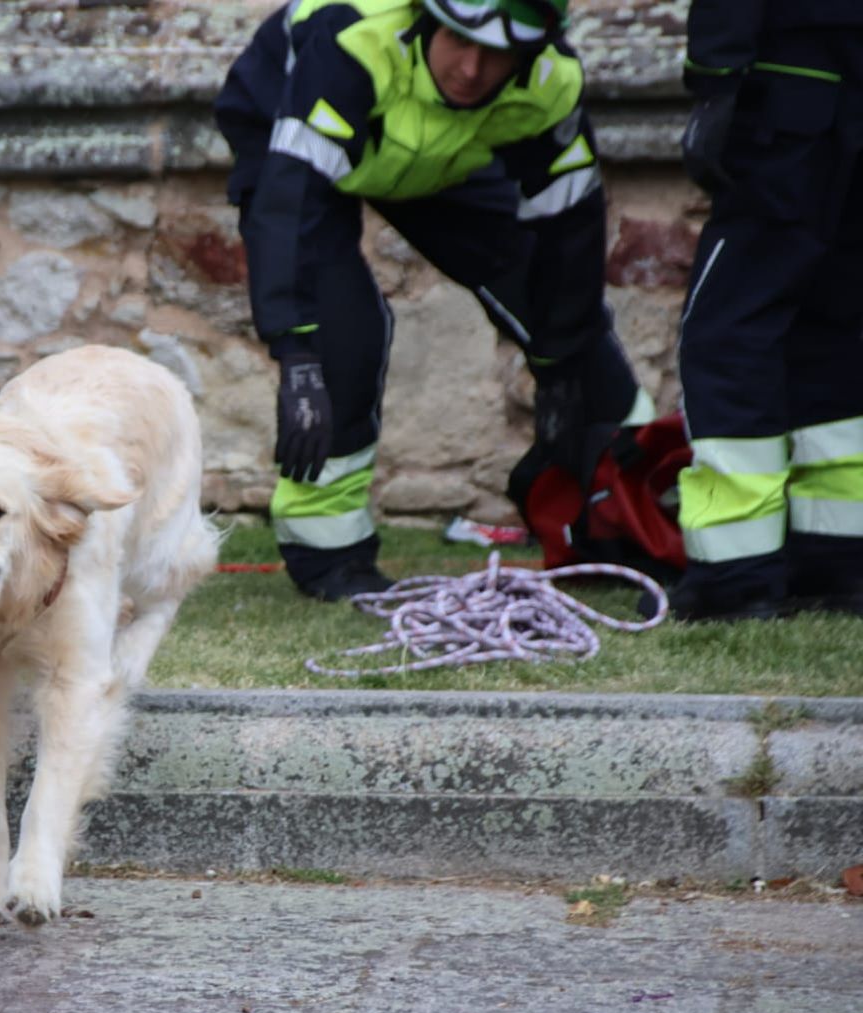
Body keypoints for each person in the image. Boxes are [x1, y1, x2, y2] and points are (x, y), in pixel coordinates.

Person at [215, 0, 653, 601]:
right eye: (460, 40)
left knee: (574, 336)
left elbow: (569, 236)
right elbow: (291, 209)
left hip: (440, 152)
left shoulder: (551, 81)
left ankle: (629, 523)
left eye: (497, 53)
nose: (472, 69)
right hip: (294, 122)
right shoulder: (353, 45)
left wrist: (560, 364)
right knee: (345, 335)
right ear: (425, 19)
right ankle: (328, 555)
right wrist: (296, 351)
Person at [669, 0, 863, 620]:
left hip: (791, 86)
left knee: (728, 327)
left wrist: (715, 76)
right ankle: (836, 558)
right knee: (834, 321)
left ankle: (735, 574)